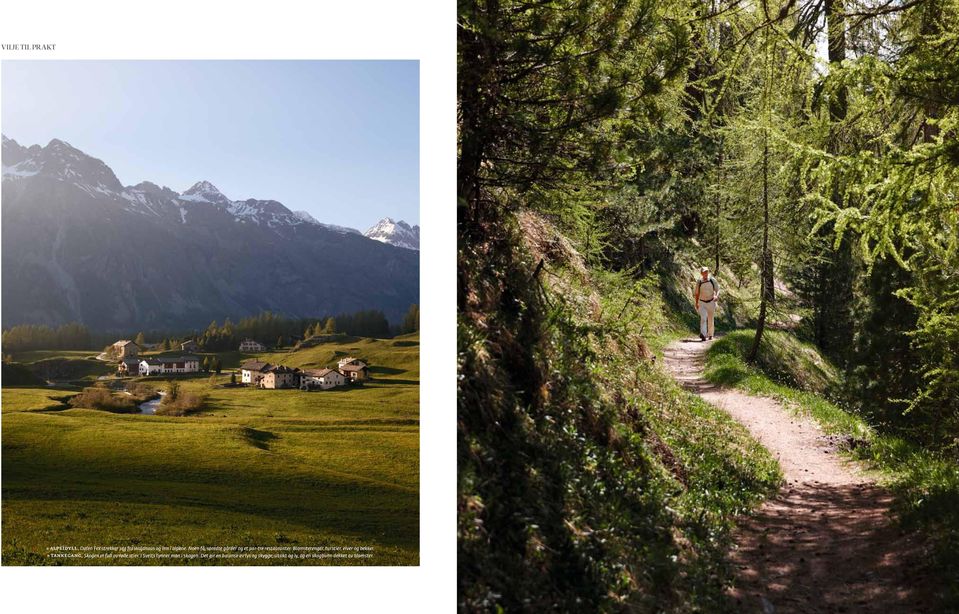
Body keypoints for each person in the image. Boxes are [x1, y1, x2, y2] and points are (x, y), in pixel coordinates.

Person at [694, 266, 719, 341]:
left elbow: (717, 289)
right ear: (701, 273)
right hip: (702, 302)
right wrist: (696, 303)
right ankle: (703, 334)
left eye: (707, 271)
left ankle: (710, 334)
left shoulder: (712, 280)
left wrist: (716, 296)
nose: (706, 273)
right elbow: (696, 293)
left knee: (710, 319)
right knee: (703, 318)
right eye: (704, 272)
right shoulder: (699, 282)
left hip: (711, 302)